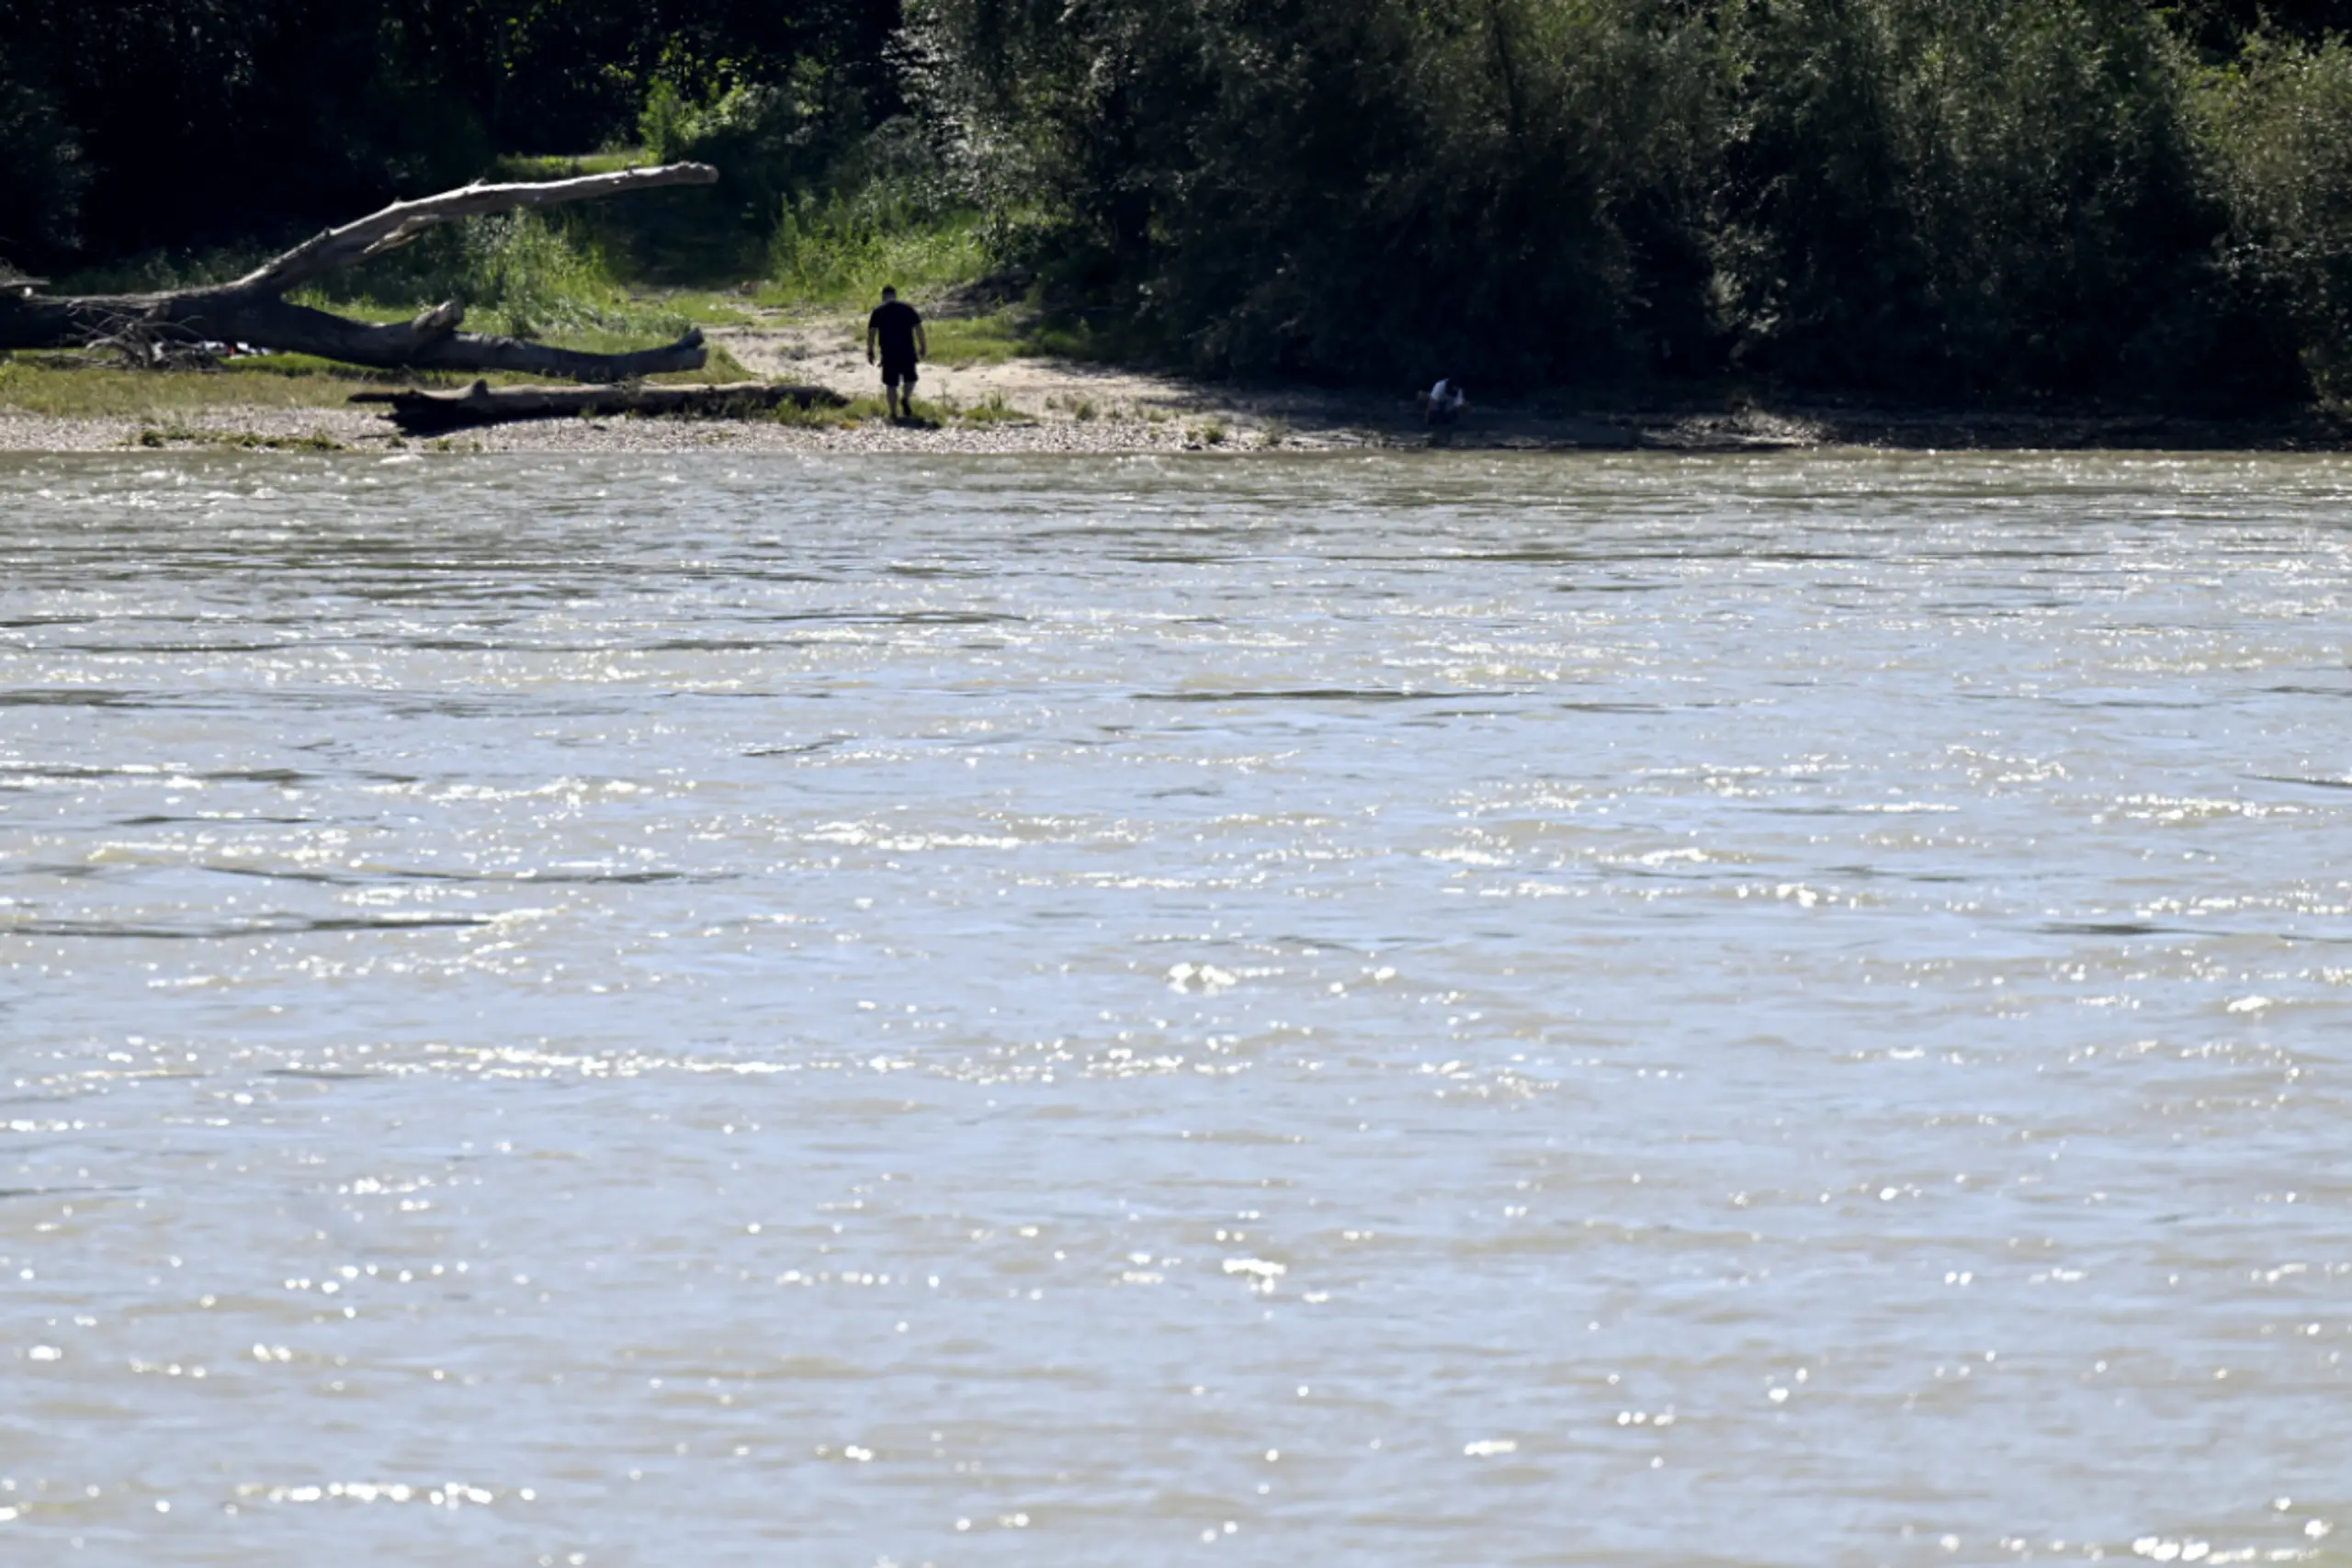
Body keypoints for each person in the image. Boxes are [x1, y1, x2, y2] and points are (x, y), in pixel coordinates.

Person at [866, 286, 928, 421]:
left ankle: (893, 413)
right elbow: (919, 328)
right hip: (907, 350)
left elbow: (872, 333)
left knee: (891, 384)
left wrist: (870, 350)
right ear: (895, 295)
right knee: (910, 379)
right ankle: (905, 398)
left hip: (888, 352)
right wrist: (923, 346)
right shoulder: (907, 309)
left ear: (883, 297)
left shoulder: (878, 311)